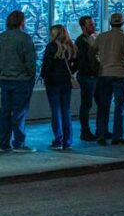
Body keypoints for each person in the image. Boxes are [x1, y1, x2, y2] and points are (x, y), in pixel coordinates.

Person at [95, 11, 124, 145]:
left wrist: (99, 63)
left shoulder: (101, 36)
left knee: (103, 106)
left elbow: (93, 51)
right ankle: (117, 136)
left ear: (110, 23)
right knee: (120, 106)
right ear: (122, 23)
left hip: (104, 73)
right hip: (120, 74)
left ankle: (101, 134)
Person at [0, 10, 37, 153]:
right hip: (21, 80)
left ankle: (3, 143)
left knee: (4, 112)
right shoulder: (25, 38)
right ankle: (19, 143)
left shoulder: (1, 37)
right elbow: (30, 62)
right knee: (19, 112)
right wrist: (31, 76)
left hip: (4, 79)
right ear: (22, 22)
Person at [41, 25, 77, 150]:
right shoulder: (70, 47)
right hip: (66, 82)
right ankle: (68, 141)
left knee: (56, 111)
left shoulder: (51, 47)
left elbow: (47, 65)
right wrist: (69, 72)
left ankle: (58, 140)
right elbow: (77, 63)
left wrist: (44, 77)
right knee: (66, 111)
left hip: (53, 83)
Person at [74, 15, 99, 142]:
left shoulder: (93, 38)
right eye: (90, 24)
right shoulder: (81, 42)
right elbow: (83, 62)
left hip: (94, 76)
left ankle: (100, 129)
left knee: (99, 103)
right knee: (86, 104)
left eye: (93, 24)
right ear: (83, 27)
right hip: (87, 76)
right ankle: (85, 131)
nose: (93, 26)